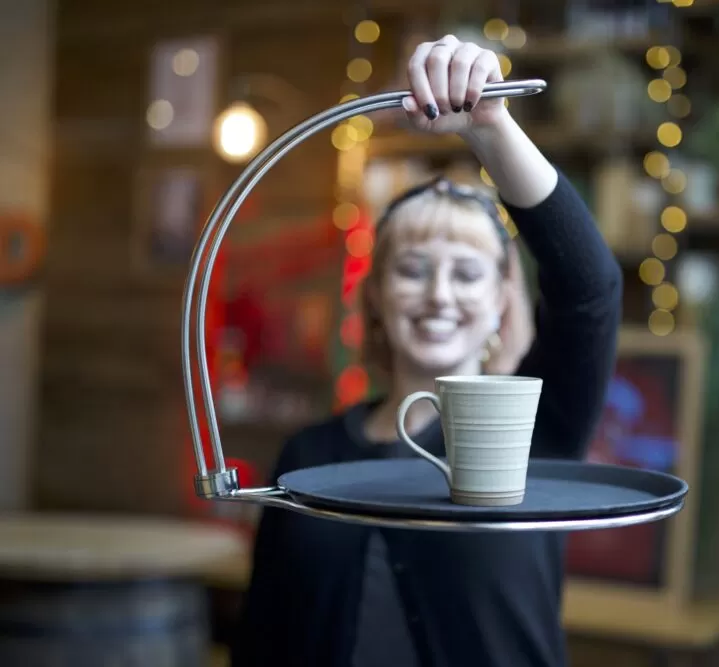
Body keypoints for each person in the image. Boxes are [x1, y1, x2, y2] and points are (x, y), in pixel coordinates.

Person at [232, 34, 623, 667]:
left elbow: (591, 288)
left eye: (467, 274)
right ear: (377, 294)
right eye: (413, 270)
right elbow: (261, 639)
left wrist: (491, 129)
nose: (439, 294)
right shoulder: (307, 457)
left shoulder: (531, 434)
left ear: (502, 299)